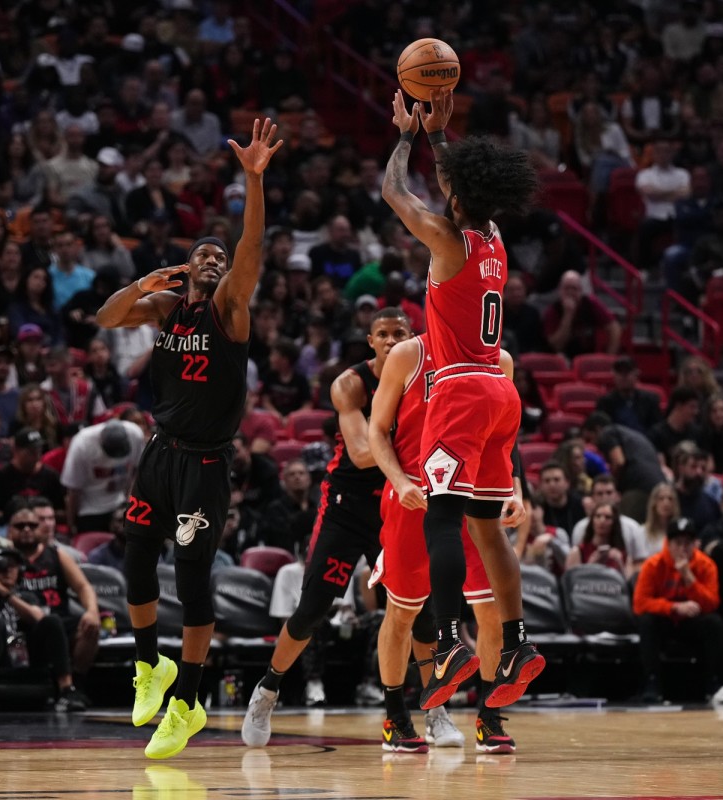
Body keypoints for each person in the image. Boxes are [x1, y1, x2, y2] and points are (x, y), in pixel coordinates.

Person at [93, 117, 281, 759]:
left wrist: (253, 181)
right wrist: (143, 285)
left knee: (194, 582)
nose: (213, 259)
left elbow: (251, 245)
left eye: (219, 257)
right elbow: (105, 317)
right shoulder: (166, 307)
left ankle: (189, 703)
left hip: (204, 464)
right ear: (187, 263)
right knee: (136, 560)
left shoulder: (230, 308)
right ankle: (152, 668)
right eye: (203, 253)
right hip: (159, 452)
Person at [380, 87, 542, 710]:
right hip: (503, 390)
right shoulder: (495, 238)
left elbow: (396, 193)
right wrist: (441, 136)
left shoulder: (447, 242)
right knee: (488, 529)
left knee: (442, 520)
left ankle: (449, 641)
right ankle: (520, 642)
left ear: (456, 197)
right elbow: (459, 188)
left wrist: (405, 135)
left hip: (460, 390)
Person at [240, 308, 412, 746]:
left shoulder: (422, 378)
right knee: (313, 609)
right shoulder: (349, 384)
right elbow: (359, 453)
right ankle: (268, 689)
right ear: (370, 341)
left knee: (414, 609)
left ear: (413, 338)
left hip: (395, 503)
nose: (392, 341)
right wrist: (424, 438)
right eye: (383, 335)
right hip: (346, 507)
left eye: (400, 334)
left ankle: (428, 710)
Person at [365, 334, 522, 753]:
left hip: (472, 497)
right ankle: (395, 717)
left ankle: (489, 719)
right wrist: (398, 482)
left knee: (489, 611)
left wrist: (516, 490)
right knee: (403, 611)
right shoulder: (407, 355)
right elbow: (377, 430)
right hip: (414, 492)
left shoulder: (498, 359)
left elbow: (504, 436)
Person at [0, 546, 84, 713]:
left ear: (20, 570)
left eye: (11, 565)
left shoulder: (26, 597)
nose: (6, 570)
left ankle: (66, 690)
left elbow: (39, 618)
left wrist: (5, 594)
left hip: (26, 657)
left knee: (53, 620)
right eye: (0, 566)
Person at [6, 499, 102, 681]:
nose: (26, 529)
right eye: (20, 526)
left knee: (90, 628)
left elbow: (83, 586)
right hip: (21, 622)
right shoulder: (5, 558)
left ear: (40, 529)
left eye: (32, 525)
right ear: (10, 531)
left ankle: (76, 681)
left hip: (58, 618)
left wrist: (92, 611)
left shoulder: (57, 555)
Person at [632, 518, 722, 703]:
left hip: (692, 622)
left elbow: (712, 603)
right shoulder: (652, 565)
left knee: (714, 623)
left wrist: (689, 579)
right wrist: (673, 608)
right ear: (668, 543)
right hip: (665, 621)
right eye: (677, 543)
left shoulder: (706, 565)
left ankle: (711, 682)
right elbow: (640, 604)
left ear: (695, 544)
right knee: (646, 621)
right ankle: (652, 682)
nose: (682, 549)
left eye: (687, 543)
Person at [61, 419, 146, 534]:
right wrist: (71, 525)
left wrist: (130, 502)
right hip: (90, 510)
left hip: (121, 504)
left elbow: (138, 471)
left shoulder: (135, 434)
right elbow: (73, 490)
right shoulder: (82, 444)